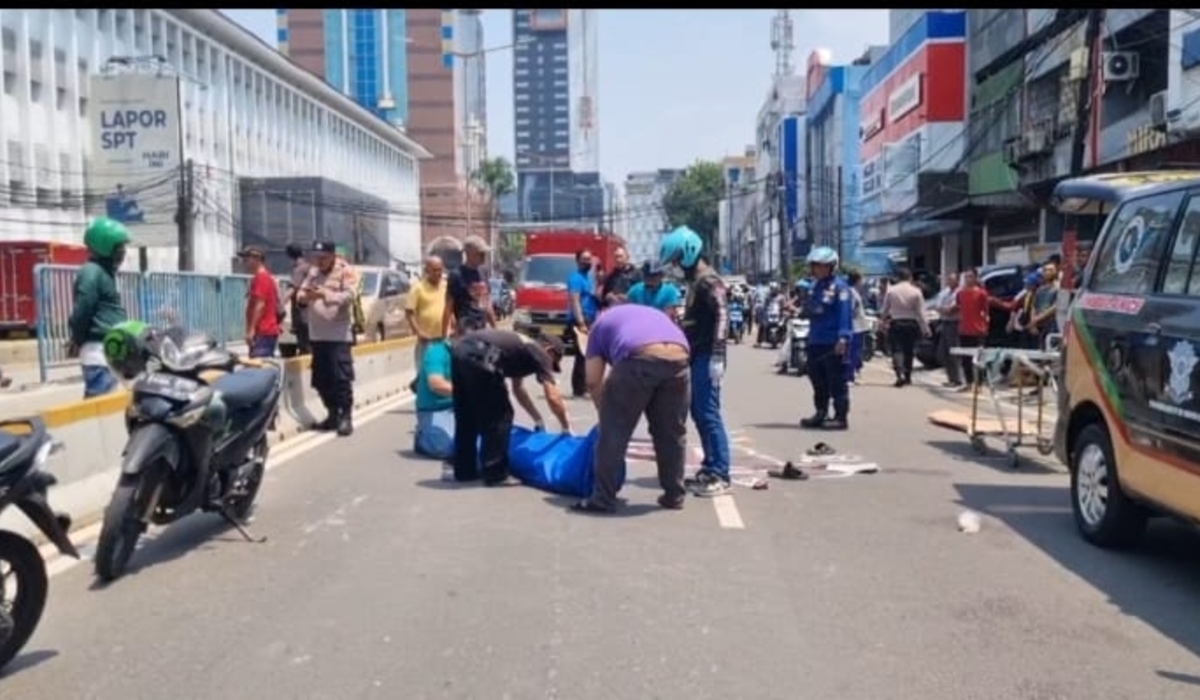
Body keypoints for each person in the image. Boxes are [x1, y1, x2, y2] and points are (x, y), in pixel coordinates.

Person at [573, 303, 691, 513]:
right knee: (671, 432)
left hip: (638, 358)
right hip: (679, 357)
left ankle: (603, 499)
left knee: (613, 433)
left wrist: (605, 413)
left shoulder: (599, 326)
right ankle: (674, 495)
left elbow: (592, 381)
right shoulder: (649, 312)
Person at [660, 225, 732, 497]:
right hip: (697, 355)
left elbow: (723, 316)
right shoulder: (695, 283)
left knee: (708, 413)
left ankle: (721, 474)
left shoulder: (708, 281)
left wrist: (718, 354)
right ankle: (710, 466)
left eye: (676, 260)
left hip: (707, 356)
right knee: (699, 413)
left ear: (688, 253)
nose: (675, 267)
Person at [450, 329, 570, 485]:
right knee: (501, 416)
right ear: (550, 350)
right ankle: (496, 473)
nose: (549, 366)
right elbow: (553, 397)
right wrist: (566, 427)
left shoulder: (522, 348)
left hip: (461, 350)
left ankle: (464, 470)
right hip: (482, 355)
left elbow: (518, 389)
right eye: (553, 362)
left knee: (467, 415)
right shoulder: (540, 353)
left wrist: (538, 420)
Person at [299, 241, 359, 436]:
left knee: (341, 378)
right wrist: (305, 297)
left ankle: (345, 416)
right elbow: (301, 293)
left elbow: (350, 296)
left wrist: (325, 294)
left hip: (338, 335)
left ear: (333, 255)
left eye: (324, 256)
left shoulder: (345, 271)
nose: (320, 260)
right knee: (321, 379)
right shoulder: (313, 272)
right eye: (317, 256)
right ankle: (332, 413)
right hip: (317, 334)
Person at [69, 217, 130, 399]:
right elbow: (84, 308)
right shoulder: (91, 271)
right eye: (119, 248)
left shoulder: (104, 272)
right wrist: (77, 338)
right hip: (98, 351)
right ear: (104, 246)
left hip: (111, 350)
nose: (123, 252)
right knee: (98, 408)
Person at [796, 247, 853, 429]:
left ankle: (840, 417)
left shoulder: (840, 288)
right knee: (817, 379)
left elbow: (845, 314)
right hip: (815, 339)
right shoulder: (814, 286)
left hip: (833, 341)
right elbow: (812, 309)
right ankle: (821, 412)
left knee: (836, 380)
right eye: (815, 266)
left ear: (831, 267)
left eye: (822, 266)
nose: (817, 270)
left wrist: (843, 338)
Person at [880, 267, 929, 387]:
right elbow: (921, 312)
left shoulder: (892, 291)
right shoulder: (916, 291)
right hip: (912, 324)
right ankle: (907, 376)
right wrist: (925, 327)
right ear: (910, 278)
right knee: (909, 350)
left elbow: (885, 309)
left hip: (896, 322)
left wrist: (882, 322)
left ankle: (899, 373)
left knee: (897, 350)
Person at [406, 255, 447, 391]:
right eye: (434, 270)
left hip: (444, 339)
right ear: (426, 270)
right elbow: (409, 312)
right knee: (425, 375)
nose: (438, 273)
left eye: (440, 270)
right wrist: (418, 332)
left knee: (444, 375)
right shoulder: (418, 288)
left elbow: (451, 309)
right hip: (426, 341)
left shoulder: (446, 286)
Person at [442, 235, 495, 338]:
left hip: (482, 329)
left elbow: (487, 303)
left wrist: (495, 328)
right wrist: (443, 336)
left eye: (484, 253)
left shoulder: (483, 272)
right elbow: (448, 307)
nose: (483, 256)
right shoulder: (456, 275)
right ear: (469, 253)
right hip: (465, 330)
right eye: (480, 253)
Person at [414, 338, 456, 466]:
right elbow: (436, 384)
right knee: (447, 448)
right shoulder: (437, 352)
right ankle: (422, 438)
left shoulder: (475, 351)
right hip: (436, 410)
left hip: (458, 408)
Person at [566, 248, 600, 397]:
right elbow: (575, 301)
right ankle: (579, 388)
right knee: (582, 354)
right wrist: (581, 323)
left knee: (588, 354)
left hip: (591, 318)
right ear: (577, 261)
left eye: (589, 259)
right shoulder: (575, 278)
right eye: (584, 259)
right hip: (579, 320)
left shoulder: (589, 277)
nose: (587, 262)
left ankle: (585, 385)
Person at [239, 246, 282, 358]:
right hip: (263, 331)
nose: (244, 263)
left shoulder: (262, 278)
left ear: (257, 259)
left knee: (259, 369)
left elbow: (260, 305)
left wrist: (251, 330)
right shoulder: (260, 277)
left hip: (263, 331)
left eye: (246, 259)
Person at [956, 267, 991, 389]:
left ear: (976, 278)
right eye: (966, 277)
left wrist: (985, 326)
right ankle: (969, 382)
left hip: (978, 330)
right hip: (964, 329)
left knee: (979, 358)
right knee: (966, 359)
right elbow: (958, 307)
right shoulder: (961, 293)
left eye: (970, 276)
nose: (968, 279)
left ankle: (980, 384)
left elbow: (986, 312)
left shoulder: (982, 293)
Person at [934, 272, 964, 387]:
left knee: (954, 352)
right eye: (948, 279)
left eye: (952, 279)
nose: (949, 281)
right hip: (945, 323)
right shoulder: (944, 292)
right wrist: (944, 309)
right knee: (943, 352)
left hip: (955, 323)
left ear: (957, 281)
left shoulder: (960, 292)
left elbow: (954, 308)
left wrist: (946, 309)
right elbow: (938, 306)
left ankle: (957, 379)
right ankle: (951, 378)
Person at [286, 243, 312, 355]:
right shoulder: (309, 266)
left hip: (302, 312)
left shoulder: (299, 269)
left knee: (305, 347)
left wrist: (280, 302)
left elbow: (293, 288)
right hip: (311, 312)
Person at [845, 270, 870, 385]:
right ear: (857, 280)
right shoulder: (851, 292)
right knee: (852, 352)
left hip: (858, 327)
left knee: (856, 352)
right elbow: (849, 310)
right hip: (855, 327)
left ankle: (852, 374)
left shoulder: (854, 291)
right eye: (862, 278)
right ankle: (849, 377)